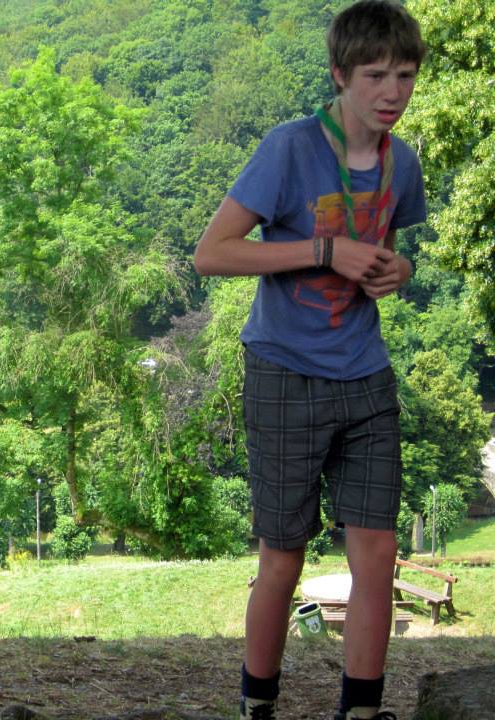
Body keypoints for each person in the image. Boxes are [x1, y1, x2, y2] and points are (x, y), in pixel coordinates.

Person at [193, 2, 426, 718]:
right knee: (283, 556)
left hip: (366, 374)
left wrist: (397, 271)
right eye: (375, 75)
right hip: (284, 372)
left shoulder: (403, 162)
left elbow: (389, 252)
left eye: (405, 75)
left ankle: (361, 709)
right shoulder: (290, 148)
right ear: (339, 74)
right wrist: (323, 250)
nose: (392, 91)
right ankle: (258, 703)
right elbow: (212, 253)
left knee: (377, 554)